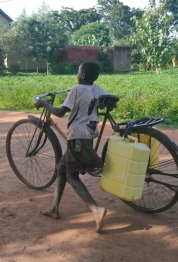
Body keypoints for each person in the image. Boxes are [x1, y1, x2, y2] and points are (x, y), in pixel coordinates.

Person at [34, 61, 107, 232]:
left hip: (77, 137)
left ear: (81, 75)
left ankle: (96, 210)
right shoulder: (97, 88)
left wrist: (44, 103)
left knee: (71, 176)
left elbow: (60, 112)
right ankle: (54, 208)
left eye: (77, 71)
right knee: (62, 168)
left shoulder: (76, 89)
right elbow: (108, 100)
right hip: (88, 135)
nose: (76, 74)